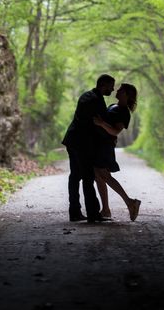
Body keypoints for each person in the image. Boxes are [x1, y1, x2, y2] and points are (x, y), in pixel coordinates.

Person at [61, 74, 115, 222]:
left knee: (75, 176)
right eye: (111, 86)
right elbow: (100, 123)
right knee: (87, 177)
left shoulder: (88, 96)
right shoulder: (95, 100)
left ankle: (75, 212)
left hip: (73, 140)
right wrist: (111, 137)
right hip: (81, 143)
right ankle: (92, 214)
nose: (113, 89)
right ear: (103, 85)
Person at [93, 83, 141, 222]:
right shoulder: (114, 106)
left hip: (105, 147)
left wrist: (101, 123)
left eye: (120, 89)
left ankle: (130, 202)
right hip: (100, 145)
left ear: (126, 94)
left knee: (104, 175)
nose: (117, 90)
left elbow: (115, 131)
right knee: (98, 176)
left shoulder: (123, 111)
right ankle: (106, 210)